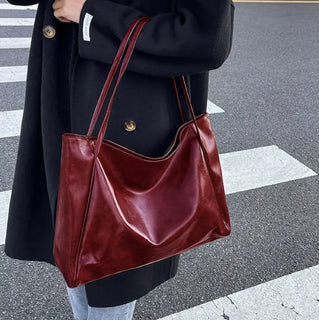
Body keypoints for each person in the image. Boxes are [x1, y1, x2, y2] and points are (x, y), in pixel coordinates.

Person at [4, 0, 235, 318]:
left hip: (127, 125)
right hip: (61, 107)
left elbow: (206, 38)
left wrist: (91, 16)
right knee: (75, 260)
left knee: (108, 280)